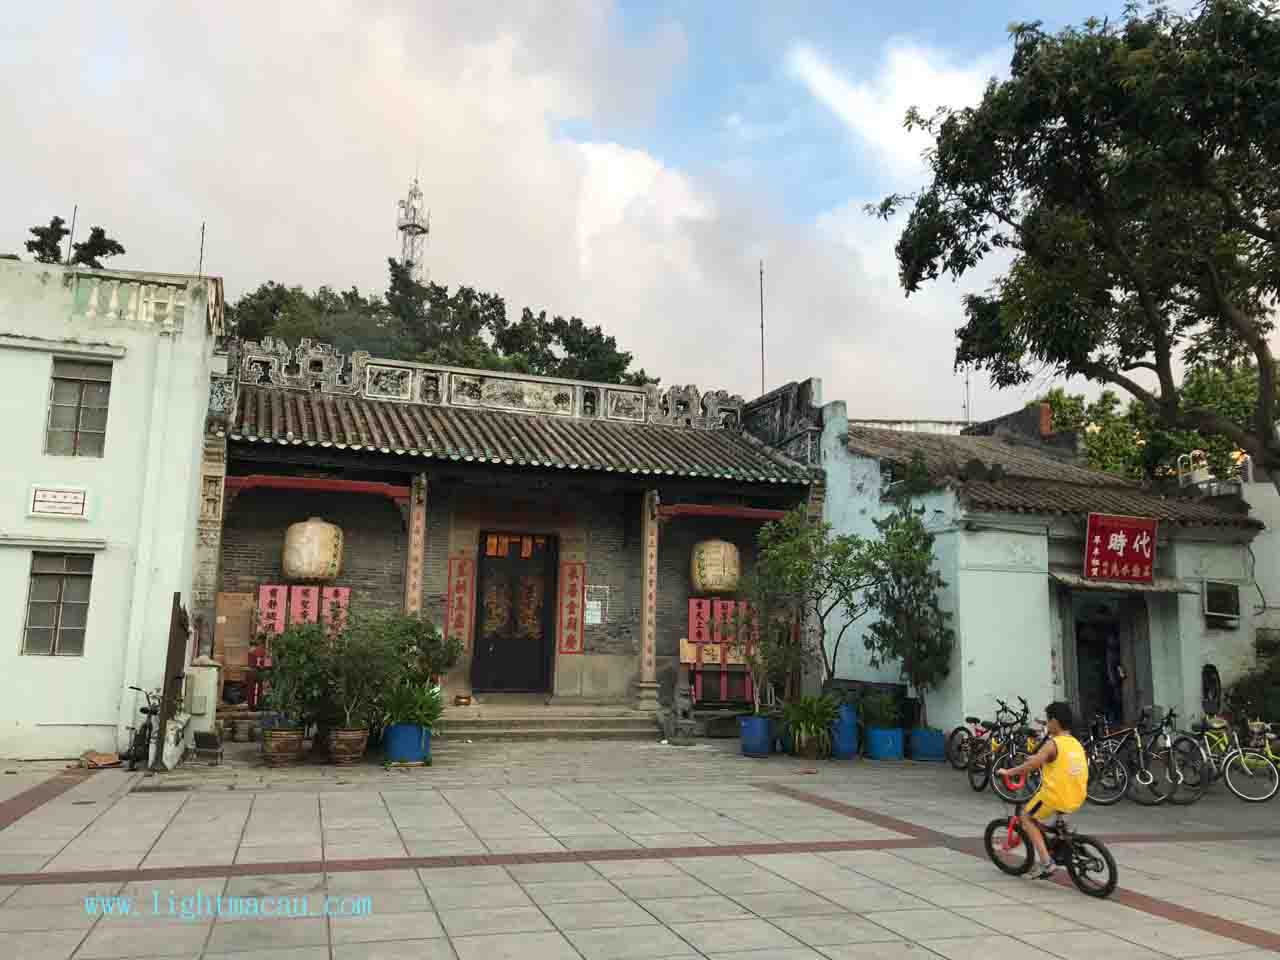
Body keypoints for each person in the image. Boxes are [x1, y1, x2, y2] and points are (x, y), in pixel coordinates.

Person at [998, 701, 1089, 879]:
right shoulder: (1074, 743)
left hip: (1055, 796)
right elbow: (1055, 761)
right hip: (1077, 795)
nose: (1047, 725)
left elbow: (1031, 766)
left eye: (1048, 721)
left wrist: (1008, 772)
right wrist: (1039, 758)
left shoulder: (1053, 744)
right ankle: (1064, 843)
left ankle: (1047, 863)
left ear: (1055, 721)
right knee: (1056, 824)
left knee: (1026, 817)